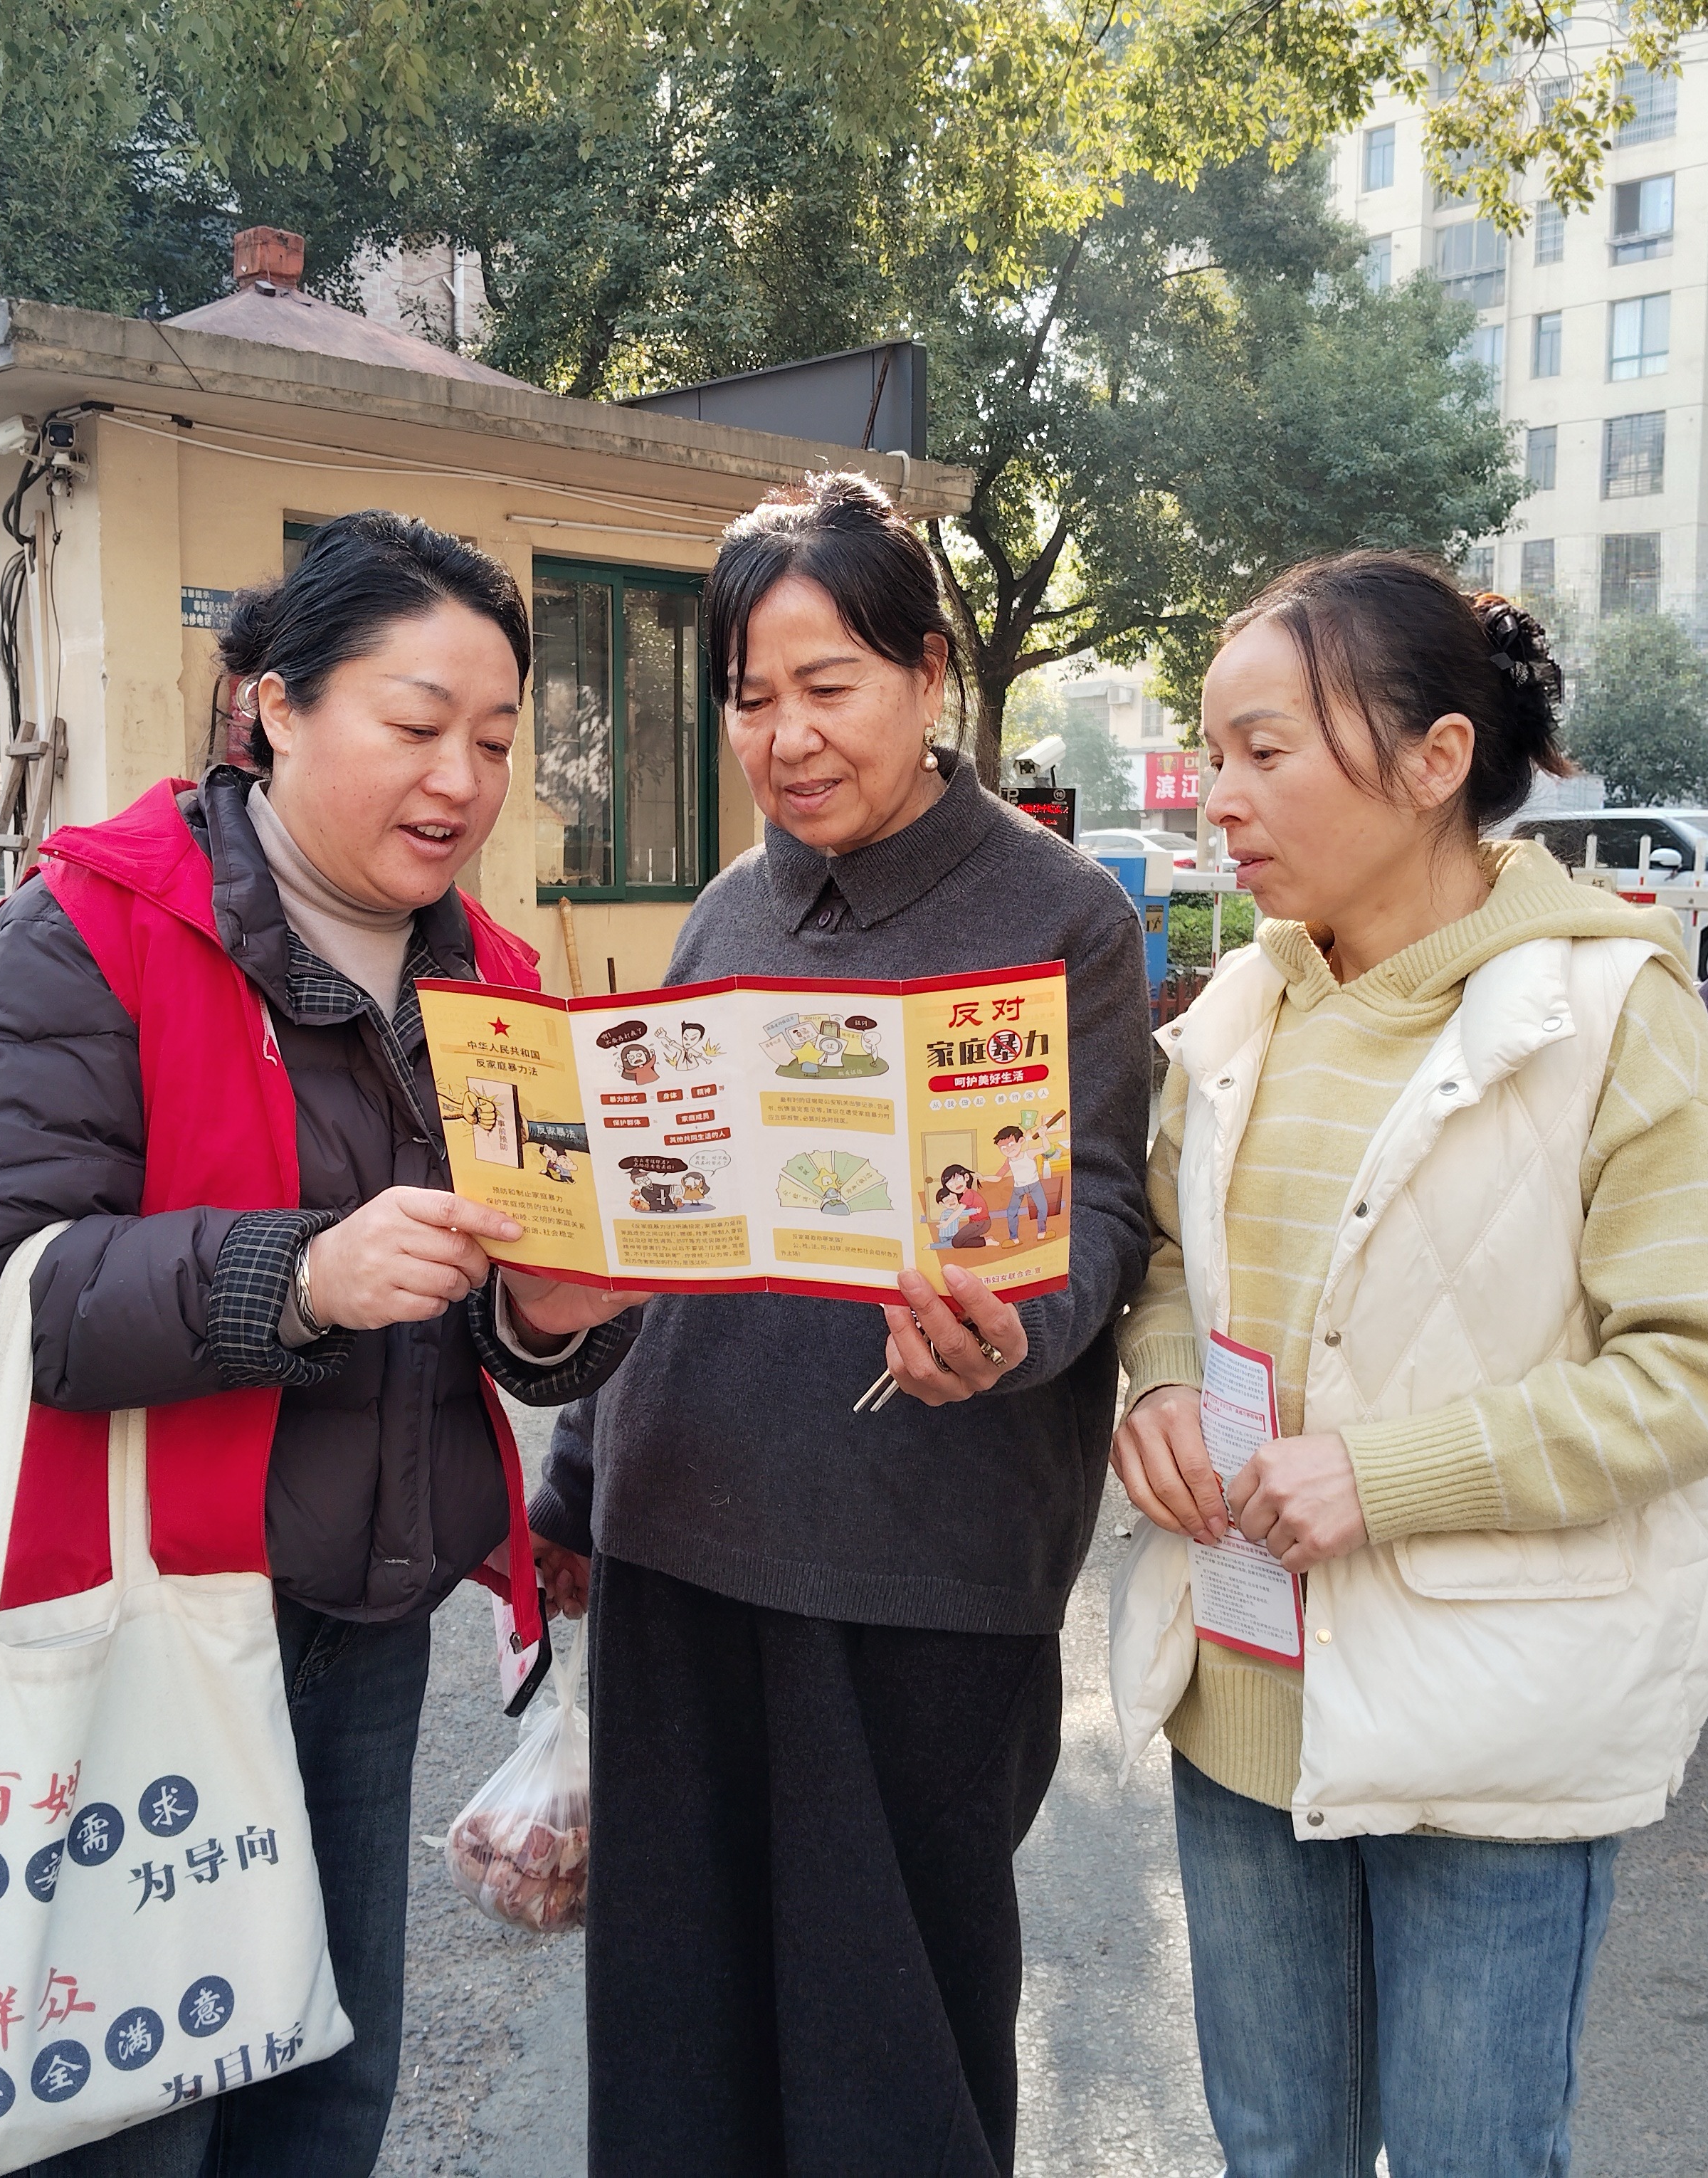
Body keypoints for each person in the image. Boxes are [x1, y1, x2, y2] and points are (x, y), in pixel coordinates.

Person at [0, 510, 641, 2177]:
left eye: (495, 740)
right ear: (275, 708)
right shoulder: (89, 926)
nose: (460, 780)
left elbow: (496, 1322)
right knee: (126, 2115)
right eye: (416, 723)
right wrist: (302, 1273)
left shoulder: (491, 980)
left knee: (322, 2088)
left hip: (362, 1623)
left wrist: (549, 1322)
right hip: (135, 1629)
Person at [1104, 554, 1708, 2178]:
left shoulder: (1611, 1015)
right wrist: (1163, 1382)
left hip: (1490, 1733)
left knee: (1472, 2156)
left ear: (1435, 761)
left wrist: (1384, 1476)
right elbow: (1176, 1260)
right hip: (1241, 1696)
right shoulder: (1249, 1003)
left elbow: (1705, 1370)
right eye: (1214, 753)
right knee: (1278, 2152)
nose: (1218, 798)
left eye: (1266, 751)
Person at [529, 473, 1151, 2176]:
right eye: (751, 699)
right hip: (675, 1537)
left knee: (895, 2054)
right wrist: (576, 1486)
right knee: (683, 2029)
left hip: (916, 1564)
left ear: (928, 673)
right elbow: (651, 1218)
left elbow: (1097, 1212)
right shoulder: (732, 906)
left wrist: (1013, 1330)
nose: (787, 738)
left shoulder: (1060, 916)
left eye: (829, 687)